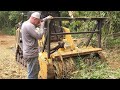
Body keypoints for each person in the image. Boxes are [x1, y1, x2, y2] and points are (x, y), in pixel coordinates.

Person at [21, 12, 53, 79]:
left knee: (35, 70)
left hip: (30, 53)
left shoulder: (27, 23)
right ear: (34, 19)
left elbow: (40, 21)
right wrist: (42, 26)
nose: (38, 23)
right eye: (37, 21)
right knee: (32, 74)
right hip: (31, 53)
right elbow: (39, 36)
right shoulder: (29, 26)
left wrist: (46, 18)